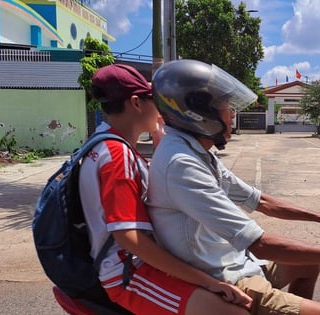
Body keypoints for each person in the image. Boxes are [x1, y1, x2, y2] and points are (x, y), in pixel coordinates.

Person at [147, 59, 320, 315]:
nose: (233, 114)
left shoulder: (199, 153)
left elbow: (262, 201)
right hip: (224, 279)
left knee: (308, 266)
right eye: (225, 106)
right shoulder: (181, 164)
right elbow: (260, 244)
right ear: (199, 114)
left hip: (238, 264)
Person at [80, 64, 252, 315]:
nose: (162, 109)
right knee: (234, 313)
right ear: (136, 103)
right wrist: (208, 282)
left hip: (133, 262)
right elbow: (129, 238)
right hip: (129, 272)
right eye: (155, 100)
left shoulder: (101, 143)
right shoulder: (118, 156)